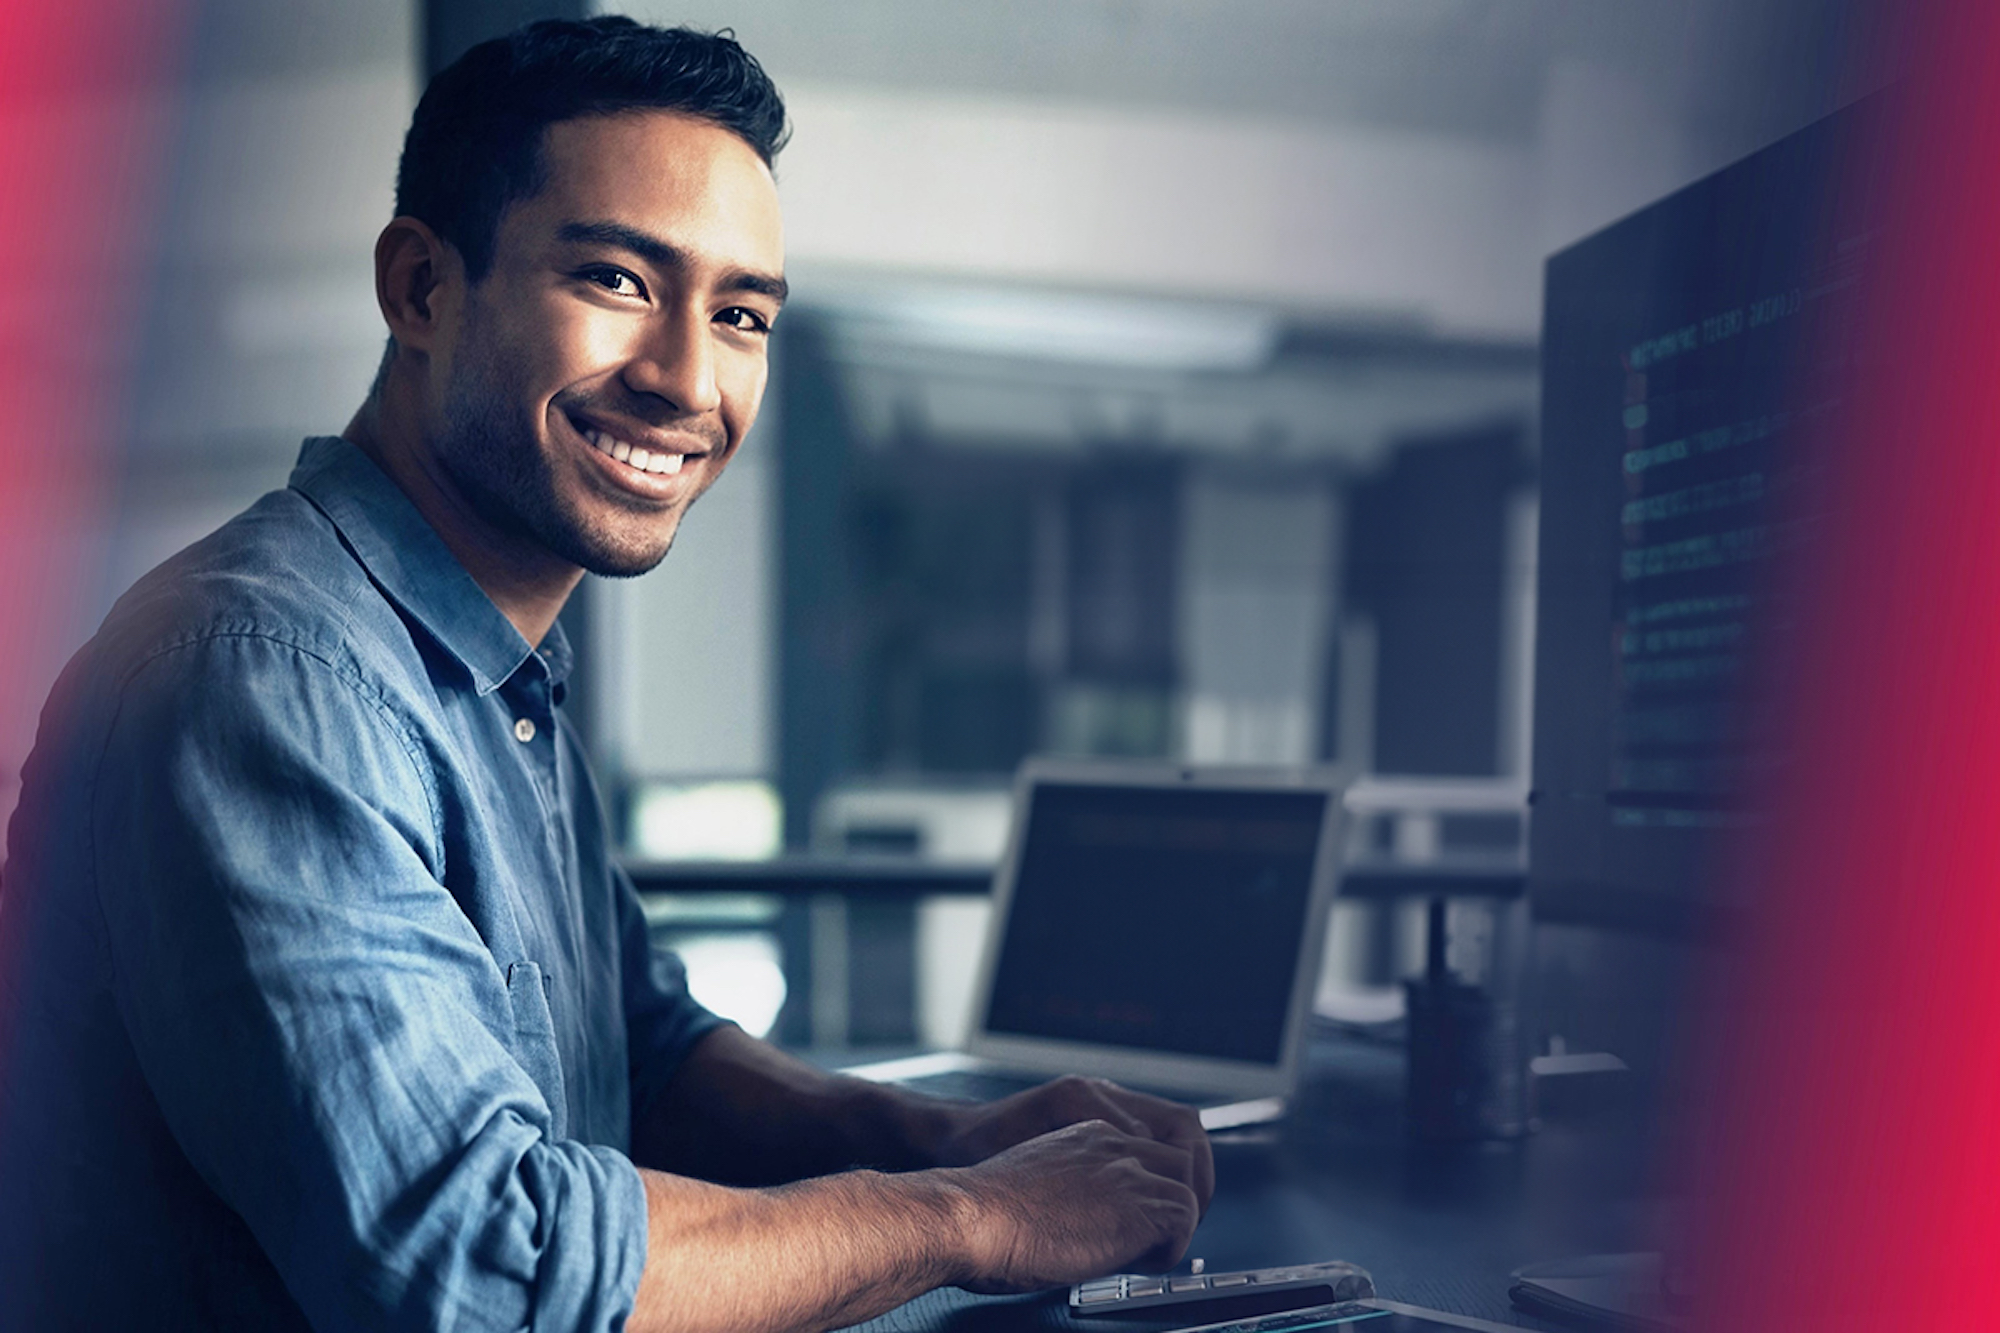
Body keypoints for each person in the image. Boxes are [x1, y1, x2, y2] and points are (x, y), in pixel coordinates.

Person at [0, 17, 1210, 1333]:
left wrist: (948, 1135)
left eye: (739, 314)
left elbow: (636, 1047)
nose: (688, 378)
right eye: (620, 282)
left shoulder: (481, 661)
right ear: (421, 289)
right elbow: (482, 1265)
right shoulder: (265, 674)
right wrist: (977, 1217)